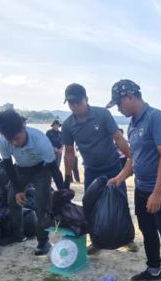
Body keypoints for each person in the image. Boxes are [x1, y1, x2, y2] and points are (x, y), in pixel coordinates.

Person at [105, 79, 161, 281]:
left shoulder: (155, 118)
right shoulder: (133, 124)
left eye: (119, 104)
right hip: (142, 189)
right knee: (147, 231)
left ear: (129, 97)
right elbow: (134, 158)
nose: (119, 109)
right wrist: (120, 178)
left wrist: (158, 193)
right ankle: (153, 270)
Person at [60, 83, 137, 253]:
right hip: (91, 170)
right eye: (71, 103)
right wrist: (67, 178)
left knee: (121, 202)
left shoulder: (102, 114)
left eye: (77, 102)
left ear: (86, 99)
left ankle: (127, 238)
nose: (74, 106)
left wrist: (132, 158)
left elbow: (118, 138)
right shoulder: (67, 125)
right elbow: (69, 152)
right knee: (90, 206)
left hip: (112, 167)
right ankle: (96, 241)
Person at [0, 110, 62, 256]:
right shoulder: (3, 141)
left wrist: (62, 191)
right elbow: (8, 165)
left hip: (42, 170)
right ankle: (18, 235)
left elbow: (54, 169)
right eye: (10, 139)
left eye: (17, 138)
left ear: (23, 128)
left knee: (41, 205)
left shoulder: (40, 140)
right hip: (20, 170)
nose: (14, 143)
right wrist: (19, 190)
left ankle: (43, 241)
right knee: (12, 200)